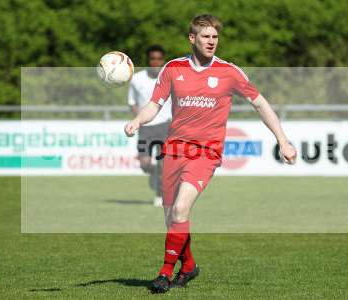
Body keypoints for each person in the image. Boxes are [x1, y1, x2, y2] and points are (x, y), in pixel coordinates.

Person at [124, 15, 297, 293]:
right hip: (174, 150)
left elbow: (261, 104)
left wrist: (283, 140)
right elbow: (154, 105)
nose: (211, 42)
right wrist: (137, 121)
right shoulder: (173, 68)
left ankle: (164, 275)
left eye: (215, 37)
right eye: (206, 37)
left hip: (206, 152)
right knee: (173, 218)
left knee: (181, 209)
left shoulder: (230, 72)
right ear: (192, 38)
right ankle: (189, 266)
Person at [128, 45, 171, 207]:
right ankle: (152, 173)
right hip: (145, 127)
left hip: (165, 126)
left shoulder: (169, 78)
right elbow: (132, 103)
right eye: (153, 59)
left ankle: (159, 194)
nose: (156, 62)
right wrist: (138, 119)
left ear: (163, 60)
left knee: (163, 163)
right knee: (145, 163)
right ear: (148, 60)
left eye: (159, 59)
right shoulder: (136, 79)